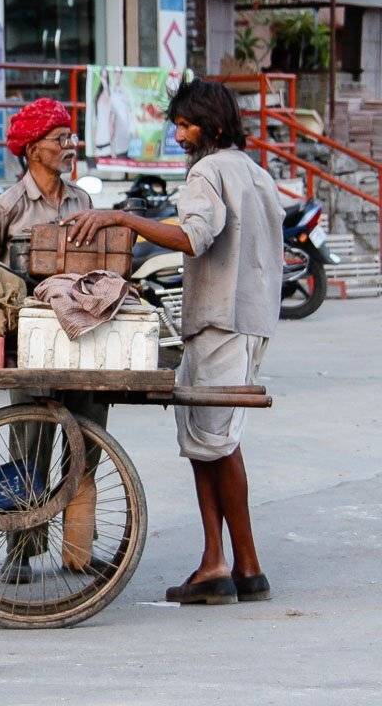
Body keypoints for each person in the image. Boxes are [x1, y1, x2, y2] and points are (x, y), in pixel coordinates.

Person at [62, 78, 283, 605]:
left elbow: (193, 237)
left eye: (187, 126)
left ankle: (218, 564)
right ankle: (241, 565)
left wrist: (122, 217)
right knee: (215, 444)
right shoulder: (255, 173)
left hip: (220, 321)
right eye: (177, 126)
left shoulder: (207, 172)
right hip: (249, 321)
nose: (180, 136)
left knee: (212, 445)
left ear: (214, 126)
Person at [0, 97, 111, 584]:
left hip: (84, 339)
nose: (69, 146)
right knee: (30, 447)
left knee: (86, 441)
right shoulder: (8, 206)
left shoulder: (82, 202)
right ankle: (21, 552)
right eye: (58, 139)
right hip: (30, 342)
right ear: (32, 149)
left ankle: (78, 550)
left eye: (70, 137)